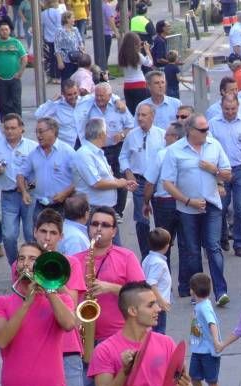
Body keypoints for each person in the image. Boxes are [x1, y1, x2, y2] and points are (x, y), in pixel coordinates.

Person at [72, 205, 145, 386]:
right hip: (84, 336)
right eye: (95, 224)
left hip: (116, 337)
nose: (99, 229)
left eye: (105, 225)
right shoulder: (76, 260)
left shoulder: (126, 257)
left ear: (114, 231)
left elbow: (141, 292)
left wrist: (111, 287)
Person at [0, 242, 75, 386]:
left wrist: (49, 290)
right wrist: (27, 303)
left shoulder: (61, 299)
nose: (25, 263)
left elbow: (69, 323)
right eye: (21, 258)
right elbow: (1, 340)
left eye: (32, 259)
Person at [88, 281, 191, 386]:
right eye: (151, 305)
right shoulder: (105, 350)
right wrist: (125, 371)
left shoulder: (167, 344)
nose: (158, 309)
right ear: (133, 311)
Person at [30, 208, 86, 386]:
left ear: (61, 237)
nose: (47, 237)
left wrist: (52, 276)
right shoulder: (23, 263)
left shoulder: (70, 264)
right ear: (34, 232)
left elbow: (70, 307)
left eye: (53, 233)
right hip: (34, 350)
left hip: (66, 351)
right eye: (43, 231)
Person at [161, 113, 232, 304]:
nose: (206, 132)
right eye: (202, 130)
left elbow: (227, 174)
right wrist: (187, 201)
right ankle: (199, 294)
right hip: (187, 208)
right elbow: (167, 183)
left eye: (207, 128)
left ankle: (220, 291)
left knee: (213, 247)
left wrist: (214, 170)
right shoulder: (175, 150)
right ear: (190, 131)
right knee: (192, 251)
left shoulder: (214, 145)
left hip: (212, 205)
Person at [209, 94, 241, 257]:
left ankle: (239, 243)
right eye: (226, 109)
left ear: (238, 107)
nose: (230, 112)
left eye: (233, 109)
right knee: (221, 207)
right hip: (220, 171)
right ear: (221, 107)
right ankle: (223, 237)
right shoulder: (213, 124)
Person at [74, 82, 135, 218]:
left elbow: (131, 126)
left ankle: (118, 210)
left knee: (118, 175)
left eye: (102, 96)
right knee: (105, 176)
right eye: (97, 96)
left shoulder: (119, 108)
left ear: (109, 96)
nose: (99, 99)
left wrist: (123, 135)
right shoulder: (89, 106)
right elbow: (97, 182)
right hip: (96, 149)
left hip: (116, 148)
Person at [119, 103, 165, 258]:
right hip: (138, 182)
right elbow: (123, 156)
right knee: (142, 221)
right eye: (138, 115)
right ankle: (146, 256)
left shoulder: (161, 135)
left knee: (161, 219)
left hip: (157, 184)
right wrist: (127, 171)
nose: (140, 118)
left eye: (144, 115)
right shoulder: (132, 135)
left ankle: (161, 251)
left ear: (152, 116)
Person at [71, 118, 135, 224]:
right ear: (101, 134)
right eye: (106, 132)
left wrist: (124, 182)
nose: (107, 136)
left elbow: (107, 177)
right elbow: (96, 182)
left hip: (105, 209)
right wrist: (119, 183)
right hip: (93, 210)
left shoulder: (98, 153)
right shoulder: (85, 154)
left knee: (112, 240)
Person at [0, 113, 36, 264]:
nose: (9, 131)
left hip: (30, 195)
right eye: (6, 128)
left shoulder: (32, 147)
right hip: (8, 196)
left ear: (21, 128)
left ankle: (34, 268)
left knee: (31, 235)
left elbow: (41, 174)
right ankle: (15, 267)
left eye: (13, 128)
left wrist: (28, 187)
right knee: (9, 236)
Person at [143, 121, 185, 272]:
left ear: (175, 137)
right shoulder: (188, 153)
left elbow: (149, 183)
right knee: (186, 244)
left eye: (166, 135)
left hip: (164, 203)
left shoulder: (162, 154)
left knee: (162, 244)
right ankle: (186, 284)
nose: (164, 138)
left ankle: (163, 278)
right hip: (185, 202)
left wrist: (146, 202)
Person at [17, 117, 76, 221]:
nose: (38, 136)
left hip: (63, 206)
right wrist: (24, 192)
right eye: (36, 132)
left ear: (52, 131)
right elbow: (21, 174)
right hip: (40, 207)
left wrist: (65, 193)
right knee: (38, 236)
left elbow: (80, 178)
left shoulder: (67, 152)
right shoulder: (34, 154)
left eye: (41, 132)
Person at [186, 273, 224, 386]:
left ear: (192, 291)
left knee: (211, 379)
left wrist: (216, 341)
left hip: (209, 351)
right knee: (194, 376)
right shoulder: (200, 305)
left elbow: (212, 323)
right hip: (198, 349)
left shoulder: (204, 307)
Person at [0, 21, 27, 120]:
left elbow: (24, 58)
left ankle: (18, 122)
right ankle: (6, 123)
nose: (4, 32)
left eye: (6, 29)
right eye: (2, 30)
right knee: (3, 103)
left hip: (14, 79)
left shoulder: (16, 42)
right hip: (0, 80)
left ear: (10, 31)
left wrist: (20, 73)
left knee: (16, 101)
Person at [141, 227, 171, 335]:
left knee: (153, 330)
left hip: (151, 302)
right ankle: (159, 350)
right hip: (158, 304)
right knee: (159, 331)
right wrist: (161, 301)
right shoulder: (159, 263)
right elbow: (151, 283)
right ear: (166, 246)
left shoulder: (147, 259)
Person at [34, 79, 80, 148]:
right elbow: (38, 115)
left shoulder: (84, 102)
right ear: (63, 94)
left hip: (82, 144)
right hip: (66, 145)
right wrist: (51, 101)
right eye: (69, 95)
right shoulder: (56, 105)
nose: (73, 97)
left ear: (78, 91)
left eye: (75, 93)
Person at [118, 32, 153, 116]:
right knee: (140, 108)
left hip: (127, 85)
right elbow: (150, 63)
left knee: (130, 109)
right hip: (139, 84)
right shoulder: (138, 55)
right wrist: (147, 50)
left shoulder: (122, 55)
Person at [54, 10, 84, 86]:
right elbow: (57, 47)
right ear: (67, 19)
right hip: (66, 60)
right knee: (66, 81)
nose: (74, 19)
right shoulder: (60, 31)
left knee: (76, 81)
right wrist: (60, 61)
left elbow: (80, 41)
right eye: (72, 18)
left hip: (77, 59)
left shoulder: (75, 29)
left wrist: (82, 47)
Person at [42, 0, 62, 84]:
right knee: (58, 57)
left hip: (48, 38)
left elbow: (42, 26)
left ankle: (51, 75)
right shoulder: (57, 12)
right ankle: (57, 77)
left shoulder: (43, 13)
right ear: (53, 3)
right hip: (57, 37)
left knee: (51, 58)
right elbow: (59, 26)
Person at [102, 0, 120, 66]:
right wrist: (116, 31)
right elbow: (111, 20)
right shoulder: (107, 7)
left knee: (101, 54)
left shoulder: (99, 6)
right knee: (106, 54)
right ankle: (105, 69)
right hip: (106, 33)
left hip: (100, 33)